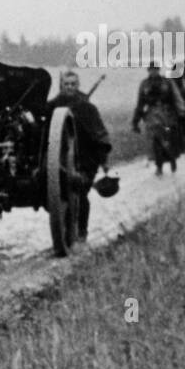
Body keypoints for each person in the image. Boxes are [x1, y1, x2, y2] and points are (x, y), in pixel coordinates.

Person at [47, 69, 112, 241]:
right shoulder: (52, 106)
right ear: (61, 86)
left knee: (81, 193)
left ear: (78, 86)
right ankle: (68, 231)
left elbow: (100, 134)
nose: (69, 87)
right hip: (60, 158)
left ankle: (81, 232)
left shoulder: (87, 108)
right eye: (66, 84)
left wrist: (104, 161)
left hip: (85, 158)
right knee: (64, 194)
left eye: (73, 84)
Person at [131, 63, 185, 175]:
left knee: (168, 140)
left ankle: (172, 159)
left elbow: (176, 97)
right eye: (151, 70)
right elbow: (140, 103)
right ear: (148, 71)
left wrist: (181, 112)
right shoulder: (144, 84)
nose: (153, 72)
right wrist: (135, 121)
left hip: (167, 114)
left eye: (155, 69)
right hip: (151, 115)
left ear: (158, 70)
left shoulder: (167, 82)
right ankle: (159, 165)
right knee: (154, 141)